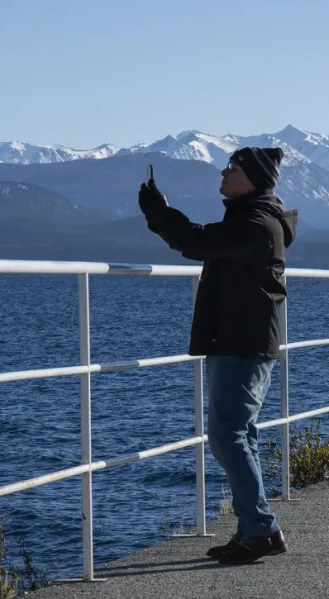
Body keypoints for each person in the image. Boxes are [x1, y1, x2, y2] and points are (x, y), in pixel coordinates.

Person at [138, 146, 298, 564]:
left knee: (229, 434)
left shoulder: (257, 224)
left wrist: (157, 212)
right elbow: (205, 243)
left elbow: (196, 242)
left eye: (233, 168)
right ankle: (254, 529)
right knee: (240, 434)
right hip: (244, 338)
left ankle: (260, 528)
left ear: (254, 179)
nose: (223, 173)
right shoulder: (256, 219)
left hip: (242, 342)